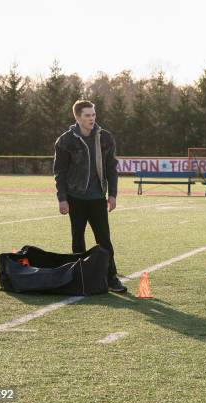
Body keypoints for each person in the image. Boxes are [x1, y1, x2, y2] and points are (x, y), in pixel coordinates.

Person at [53, 99, 127, 293]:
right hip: (75, 198)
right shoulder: (65, 141)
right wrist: (62, 198)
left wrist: (113, 194)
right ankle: (80, 279)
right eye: (87, 115)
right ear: (77, 117)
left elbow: (112, 168)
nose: (91, 119)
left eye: (93, 115)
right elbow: (59, 172)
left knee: (104, 240)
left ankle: (111, 278)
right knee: (78, 240)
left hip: (97, 199)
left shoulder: (105, 138)